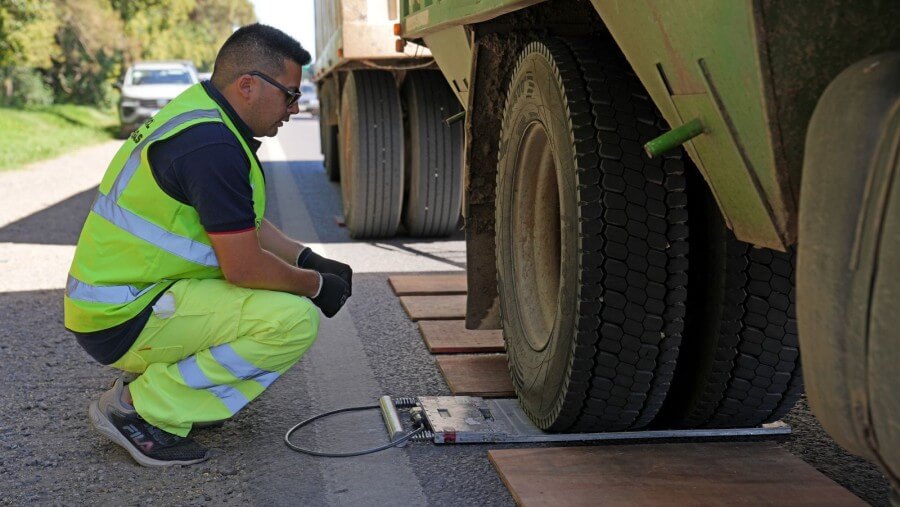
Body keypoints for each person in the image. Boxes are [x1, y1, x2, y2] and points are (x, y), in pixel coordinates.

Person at [64, 24, 352, 467]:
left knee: (276, 298)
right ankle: (144, 410)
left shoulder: (206, 119)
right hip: (124, 314)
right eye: (291, 95)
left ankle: (160, 387)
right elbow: (242, 266)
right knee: (291, 320)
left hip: (130, 297)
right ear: (248, 86)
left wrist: (305, 257)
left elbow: (241, 224)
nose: (295, 108)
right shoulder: (211, 144)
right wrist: (314, 285)